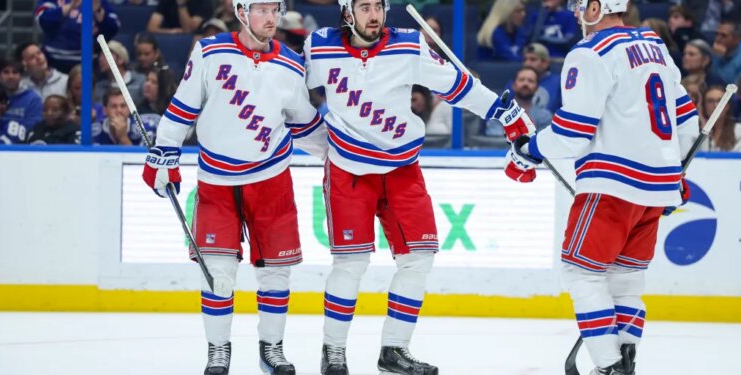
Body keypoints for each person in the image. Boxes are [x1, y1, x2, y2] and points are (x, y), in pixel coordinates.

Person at [302, 0, 536, 373]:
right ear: (348, 13)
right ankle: (333, 352)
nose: (374, 15)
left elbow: (458, 85)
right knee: (350, 264)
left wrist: (503, 113)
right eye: (365, 7)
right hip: (349, 172)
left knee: (418, 259)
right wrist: (320, 145)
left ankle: (394, 350)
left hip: (402, 169)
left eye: (378, 6)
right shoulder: (319, 47)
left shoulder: (408, 44)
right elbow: (292, 98)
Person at [505, 1, 699, 374]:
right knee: (626, 282)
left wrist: (529, 150)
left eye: (581, 5)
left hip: (612, 185)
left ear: (597, 6)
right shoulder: (654, 43)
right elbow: (686, 118)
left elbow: (573, 133)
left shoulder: (590, 52)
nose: (577, 13)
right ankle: (624, 360)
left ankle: (608, 366)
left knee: (582, 272)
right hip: (655, 188)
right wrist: (674, 174)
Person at [141, 0, 327, 374]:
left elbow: (306, 123)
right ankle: (218, 350)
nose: (271, 18)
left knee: (276, 273)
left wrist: (339, 158)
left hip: (271, 180)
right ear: (242, 12)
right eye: (262, 10)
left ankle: (271, 349)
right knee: (217, 273)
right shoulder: (210, 51)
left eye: (275, 10)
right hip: (217, 183)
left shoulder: (291, 63)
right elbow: (182, 108)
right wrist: (164, 154)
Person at [34, 0, 120, 73]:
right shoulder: (53, 1)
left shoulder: (97, 2)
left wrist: (100, 15)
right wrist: (70, 6)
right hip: (52, 60)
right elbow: (43, 20)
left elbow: (113, 27)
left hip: (87, 62)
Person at [93, 88, 158, 145]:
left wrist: (123, 137)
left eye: (123, 106)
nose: (119, 110)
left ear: (129, 109)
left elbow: (142, 158)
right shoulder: (93, 133)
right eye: (114, 106)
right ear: (105, 111)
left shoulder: (143, 131)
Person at [0, 57, 43, 130]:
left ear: (21, 76)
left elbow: (34, 127)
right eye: (6, 72)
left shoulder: (33, 99)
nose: (10, 76)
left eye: (15, 72)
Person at [95, 40, 146, 107]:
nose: (100, 59)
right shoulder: (100, 87)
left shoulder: (141, 81)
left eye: (105, 55)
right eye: (100, 55)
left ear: (120, 59)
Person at [700, 85, 741, 151]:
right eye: (710, 101)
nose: (716, 105)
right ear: (704, 106)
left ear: (727, 106)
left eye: (720, 101)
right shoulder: (696, 132)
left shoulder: (739, 130)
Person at [146, 0, 213, 34]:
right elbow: (151, 28)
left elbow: (188, 31)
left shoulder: (204, 2)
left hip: (192, 43)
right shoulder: (167, 1)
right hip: (169, 39)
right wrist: (170, 32)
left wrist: (181, 4)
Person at [711, 18, 741, 84]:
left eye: (723, 35)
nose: (717, 39)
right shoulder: (715, 51)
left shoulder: (739, 59)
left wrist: (717, 58)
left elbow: (728, 84)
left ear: (737, 39)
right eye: (716, 34)